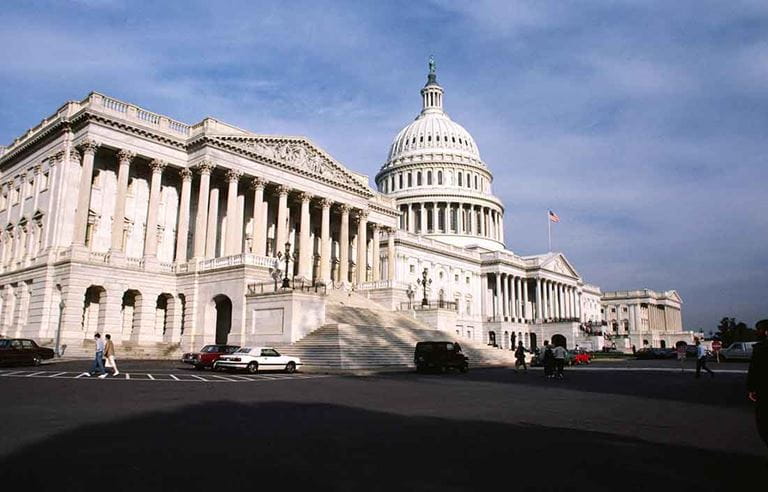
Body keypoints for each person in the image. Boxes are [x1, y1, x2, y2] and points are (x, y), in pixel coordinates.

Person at [747, 319, 767, 448]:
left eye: (758, 329)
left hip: (764, 392)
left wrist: (751, 389)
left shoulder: (761, 348)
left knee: (764, 426)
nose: (756, 332)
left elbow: (754, 371)